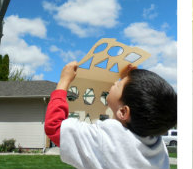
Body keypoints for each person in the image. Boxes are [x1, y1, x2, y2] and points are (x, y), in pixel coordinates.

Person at [45, 63, 177, 169]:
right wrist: (127, 81)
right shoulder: (158, 147)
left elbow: (55, 127)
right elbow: (122, 126)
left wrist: (63, 81)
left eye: (118, 85)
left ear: (124, 112)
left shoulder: (104, 139)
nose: (114, 83)